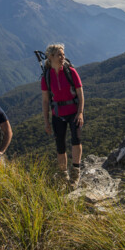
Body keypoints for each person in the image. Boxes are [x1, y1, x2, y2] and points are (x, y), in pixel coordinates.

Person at [40, 44, 84, 184]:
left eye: (63, 54)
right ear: (51, 57)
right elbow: (46, 101)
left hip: (73, 113)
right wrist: (46, 121)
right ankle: (63, 175)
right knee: (60, 145)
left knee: (76, 140)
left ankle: (75, 172)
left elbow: (80, 94)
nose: (62, 57)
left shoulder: (70, 72)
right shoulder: (46, 77)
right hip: (58, 114)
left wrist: (80, 112)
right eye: (59, 55)